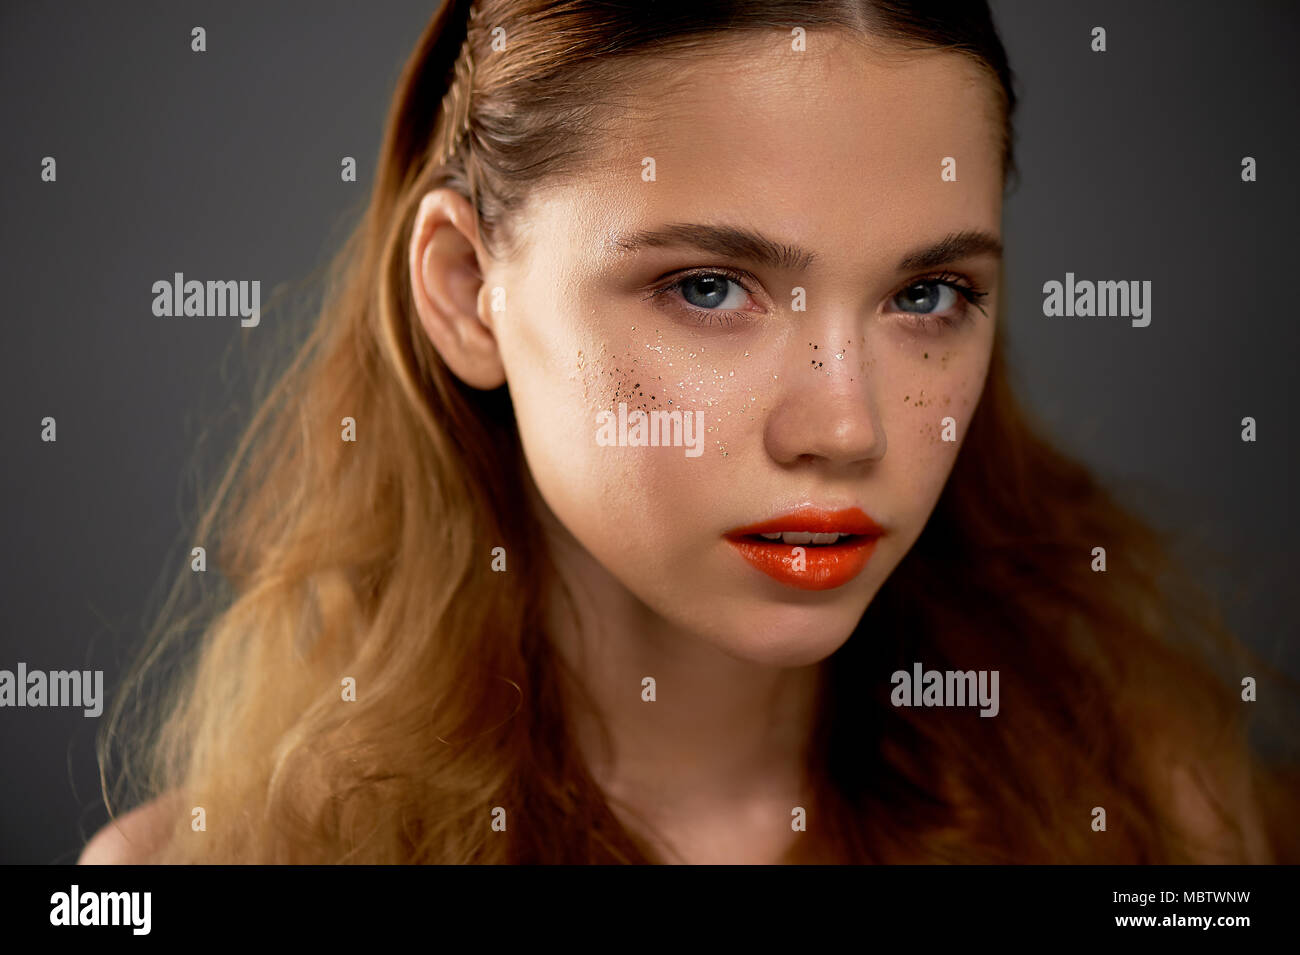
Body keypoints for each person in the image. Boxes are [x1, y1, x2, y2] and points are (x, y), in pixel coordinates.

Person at [82, 0, 1293, 865]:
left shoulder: (1167, 828)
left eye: (927, 296)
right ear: (465, 290)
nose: (844, 425)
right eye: (708, 287)